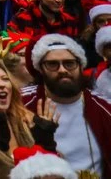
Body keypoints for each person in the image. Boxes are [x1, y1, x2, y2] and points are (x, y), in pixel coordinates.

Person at [20, 34, 111, 177]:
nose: (62, 70)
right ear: (41, 69)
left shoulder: (104, 108)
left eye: (69, 63)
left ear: (80, 66)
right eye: (52, 64)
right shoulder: (21, 103)